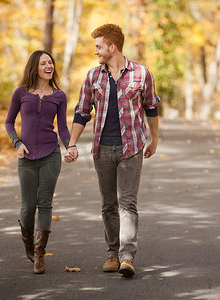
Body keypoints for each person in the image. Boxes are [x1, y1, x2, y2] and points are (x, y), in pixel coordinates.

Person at [64, 24, 160, 277]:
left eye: (98, 46)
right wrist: (72, 144)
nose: (95, 51)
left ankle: (127, 257)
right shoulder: (93, 77)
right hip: (102, 148)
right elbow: (82, 112)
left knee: (128, 204)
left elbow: (151, 107)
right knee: (108, 204)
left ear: (112, 47)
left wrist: (155, 140)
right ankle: (112, 254)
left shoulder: (141, 73)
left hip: (132, 147)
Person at [5, 50, 70, 274]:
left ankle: (40, 254)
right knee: (27, 207)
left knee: (45, 204)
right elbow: (9, 122)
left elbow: (62, 127)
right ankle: (29, 249)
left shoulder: (59, 96)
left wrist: (69, 146)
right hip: (27, 156)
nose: (48, 66)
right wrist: (17, 143)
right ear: (35, 67)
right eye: (43, 63)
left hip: (51, 154)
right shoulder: (20, 93)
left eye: (50, 62)